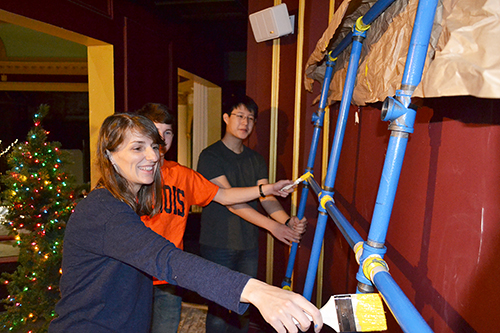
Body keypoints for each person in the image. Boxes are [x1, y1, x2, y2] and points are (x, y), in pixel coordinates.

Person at [48, 113, 322, 333]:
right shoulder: (103, 209)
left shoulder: (124, 203)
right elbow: (168, 259)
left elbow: (222, 197)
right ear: (109, 155)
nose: (154, 156)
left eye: (154, 146)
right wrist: (257, 291)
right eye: (137, 148)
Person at [135, 103, 305, 333]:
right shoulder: (129, 177)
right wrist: (274, 224)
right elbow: (232, 203)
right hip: (134, 272)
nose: (162, 140)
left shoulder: (182, 175)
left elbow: (224, 195)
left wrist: (272, 196)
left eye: (168, 133)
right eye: (156, 132)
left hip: (168, 274)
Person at [197, 95, 308, 333]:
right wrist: (272, 227)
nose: (245, 123)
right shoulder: (210, 156)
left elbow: (266, 199)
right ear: (226, 118)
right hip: (218, 244)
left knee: (244, 309)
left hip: (248, 245)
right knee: (218, 311)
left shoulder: (255, 159)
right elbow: (230, 201)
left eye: (250, 118)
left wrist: (287, 221)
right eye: (239, 116)